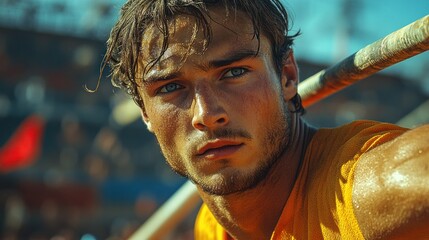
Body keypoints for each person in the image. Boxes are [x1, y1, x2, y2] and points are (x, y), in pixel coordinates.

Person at [100, 0, 429, 239]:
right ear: (145, 112)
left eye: (234, 72)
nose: (207, 114)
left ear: (287, 76)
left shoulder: (375, 192)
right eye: (171, 87)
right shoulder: (212, 227)